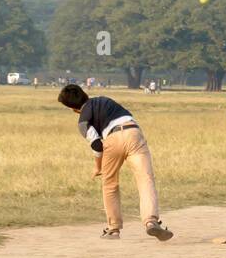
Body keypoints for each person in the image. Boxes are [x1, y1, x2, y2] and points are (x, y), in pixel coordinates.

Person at [57, 83, 173, 241]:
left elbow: (97, 145)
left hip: (112, 138)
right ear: (84, 93)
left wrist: (98, 167)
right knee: (145, 180)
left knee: (110, 184)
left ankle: (113, 229)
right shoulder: (105, 100)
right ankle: (151, 221)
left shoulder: (82, 121)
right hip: (134, 132)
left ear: (72, 108)